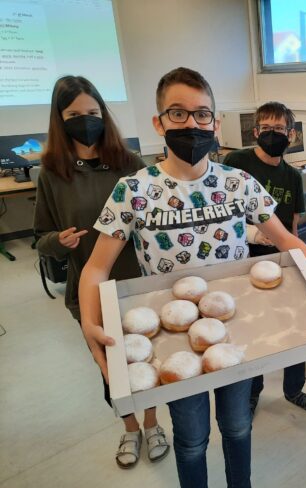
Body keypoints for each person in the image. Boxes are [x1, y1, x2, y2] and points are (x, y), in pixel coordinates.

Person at [78, 67, 306, 488]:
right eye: (178, 113)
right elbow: (96, 266)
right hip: (173, 337)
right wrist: (90, 323)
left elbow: (285, 239)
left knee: (237, 426)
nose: (191, 124)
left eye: (201, 114)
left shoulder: (238, 183)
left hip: (233, 328)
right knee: (192, 439)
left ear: (215, 123)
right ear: (158, 122)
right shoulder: (133, 190)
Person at [33, 75, 169, 469]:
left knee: (147, 359)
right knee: (111, 368)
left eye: (92, 112)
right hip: (91, 291)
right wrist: (58, 241)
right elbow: (41, 238)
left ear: (103, 114)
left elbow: (159, 209)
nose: (85, 121)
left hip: (137, 285)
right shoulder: (52, 173)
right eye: (74, 115)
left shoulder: (129, 163)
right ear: (60, 119)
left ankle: (152, 423)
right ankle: (130, 427)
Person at [223, 101, 306, 416]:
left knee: (293, 327)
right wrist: (253, 234)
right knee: (251, 332)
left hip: (279, 264)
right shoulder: (237, 162)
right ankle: (253, 393)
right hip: (243, 264)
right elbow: (223, 216)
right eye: (266, 128)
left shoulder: (292, 176)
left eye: (279, 128)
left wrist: (297, 263)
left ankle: (294, 389)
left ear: (291, 134)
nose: (272, 134)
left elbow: (292, 228)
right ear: (255, 132)